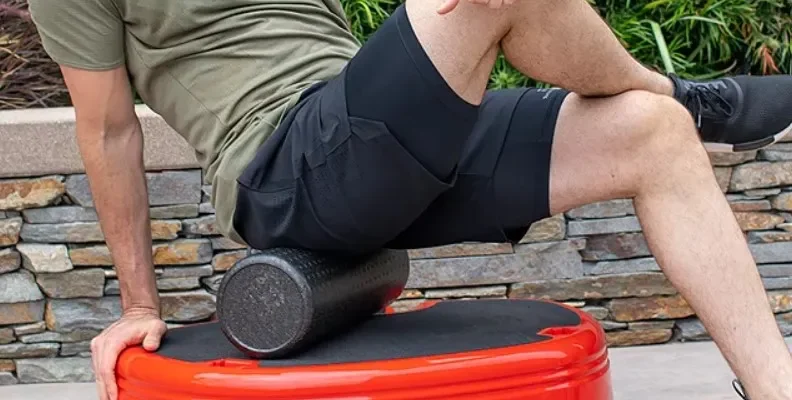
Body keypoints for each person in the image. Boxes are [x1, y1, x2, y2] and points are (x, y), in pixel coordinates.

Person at [26, 0, 792, 399]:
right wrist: (134, 306)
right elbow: (108, 130)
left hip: (369, 137)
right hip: (285, 167)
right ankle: (690, 96)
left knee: (650, 134)